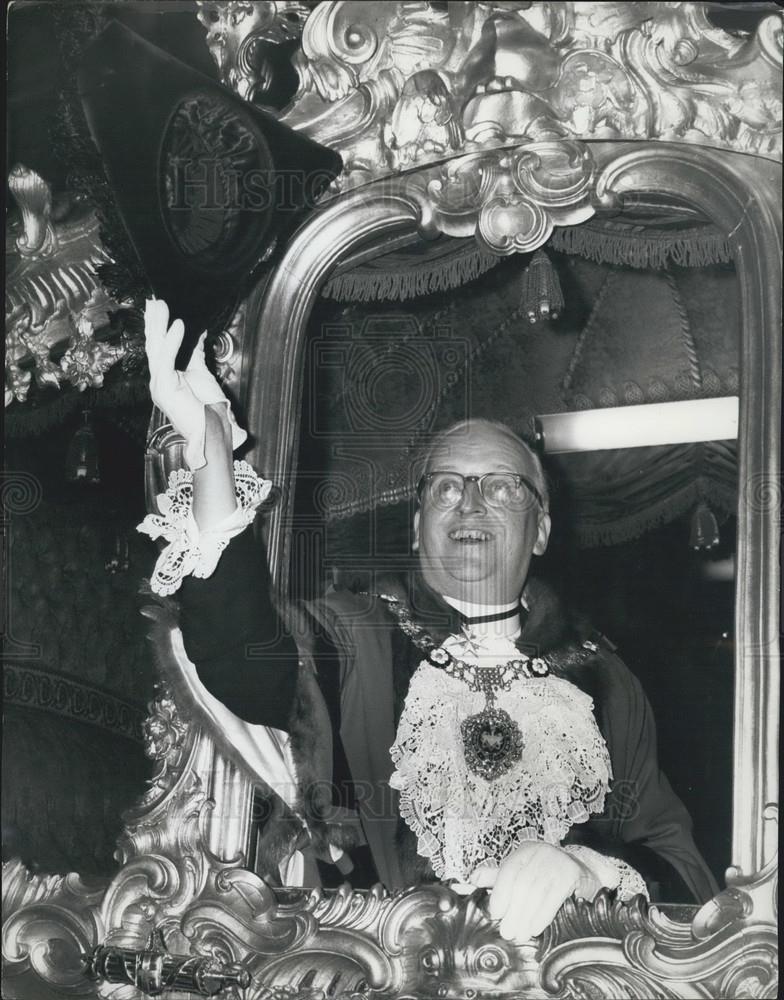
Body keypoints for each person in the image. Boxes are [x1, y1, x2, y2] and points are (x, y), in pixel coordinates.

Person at [139, 299, 718, 943]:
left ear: (542, 529)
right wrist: (211, 453)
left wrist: (587, 870)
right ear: (418, 528)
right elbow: (232, 650)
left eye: (502, 487)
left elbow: (686, 875)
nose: (470, 503)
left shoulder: (606, 680)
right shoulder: (351, 638)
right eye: (446, 486)